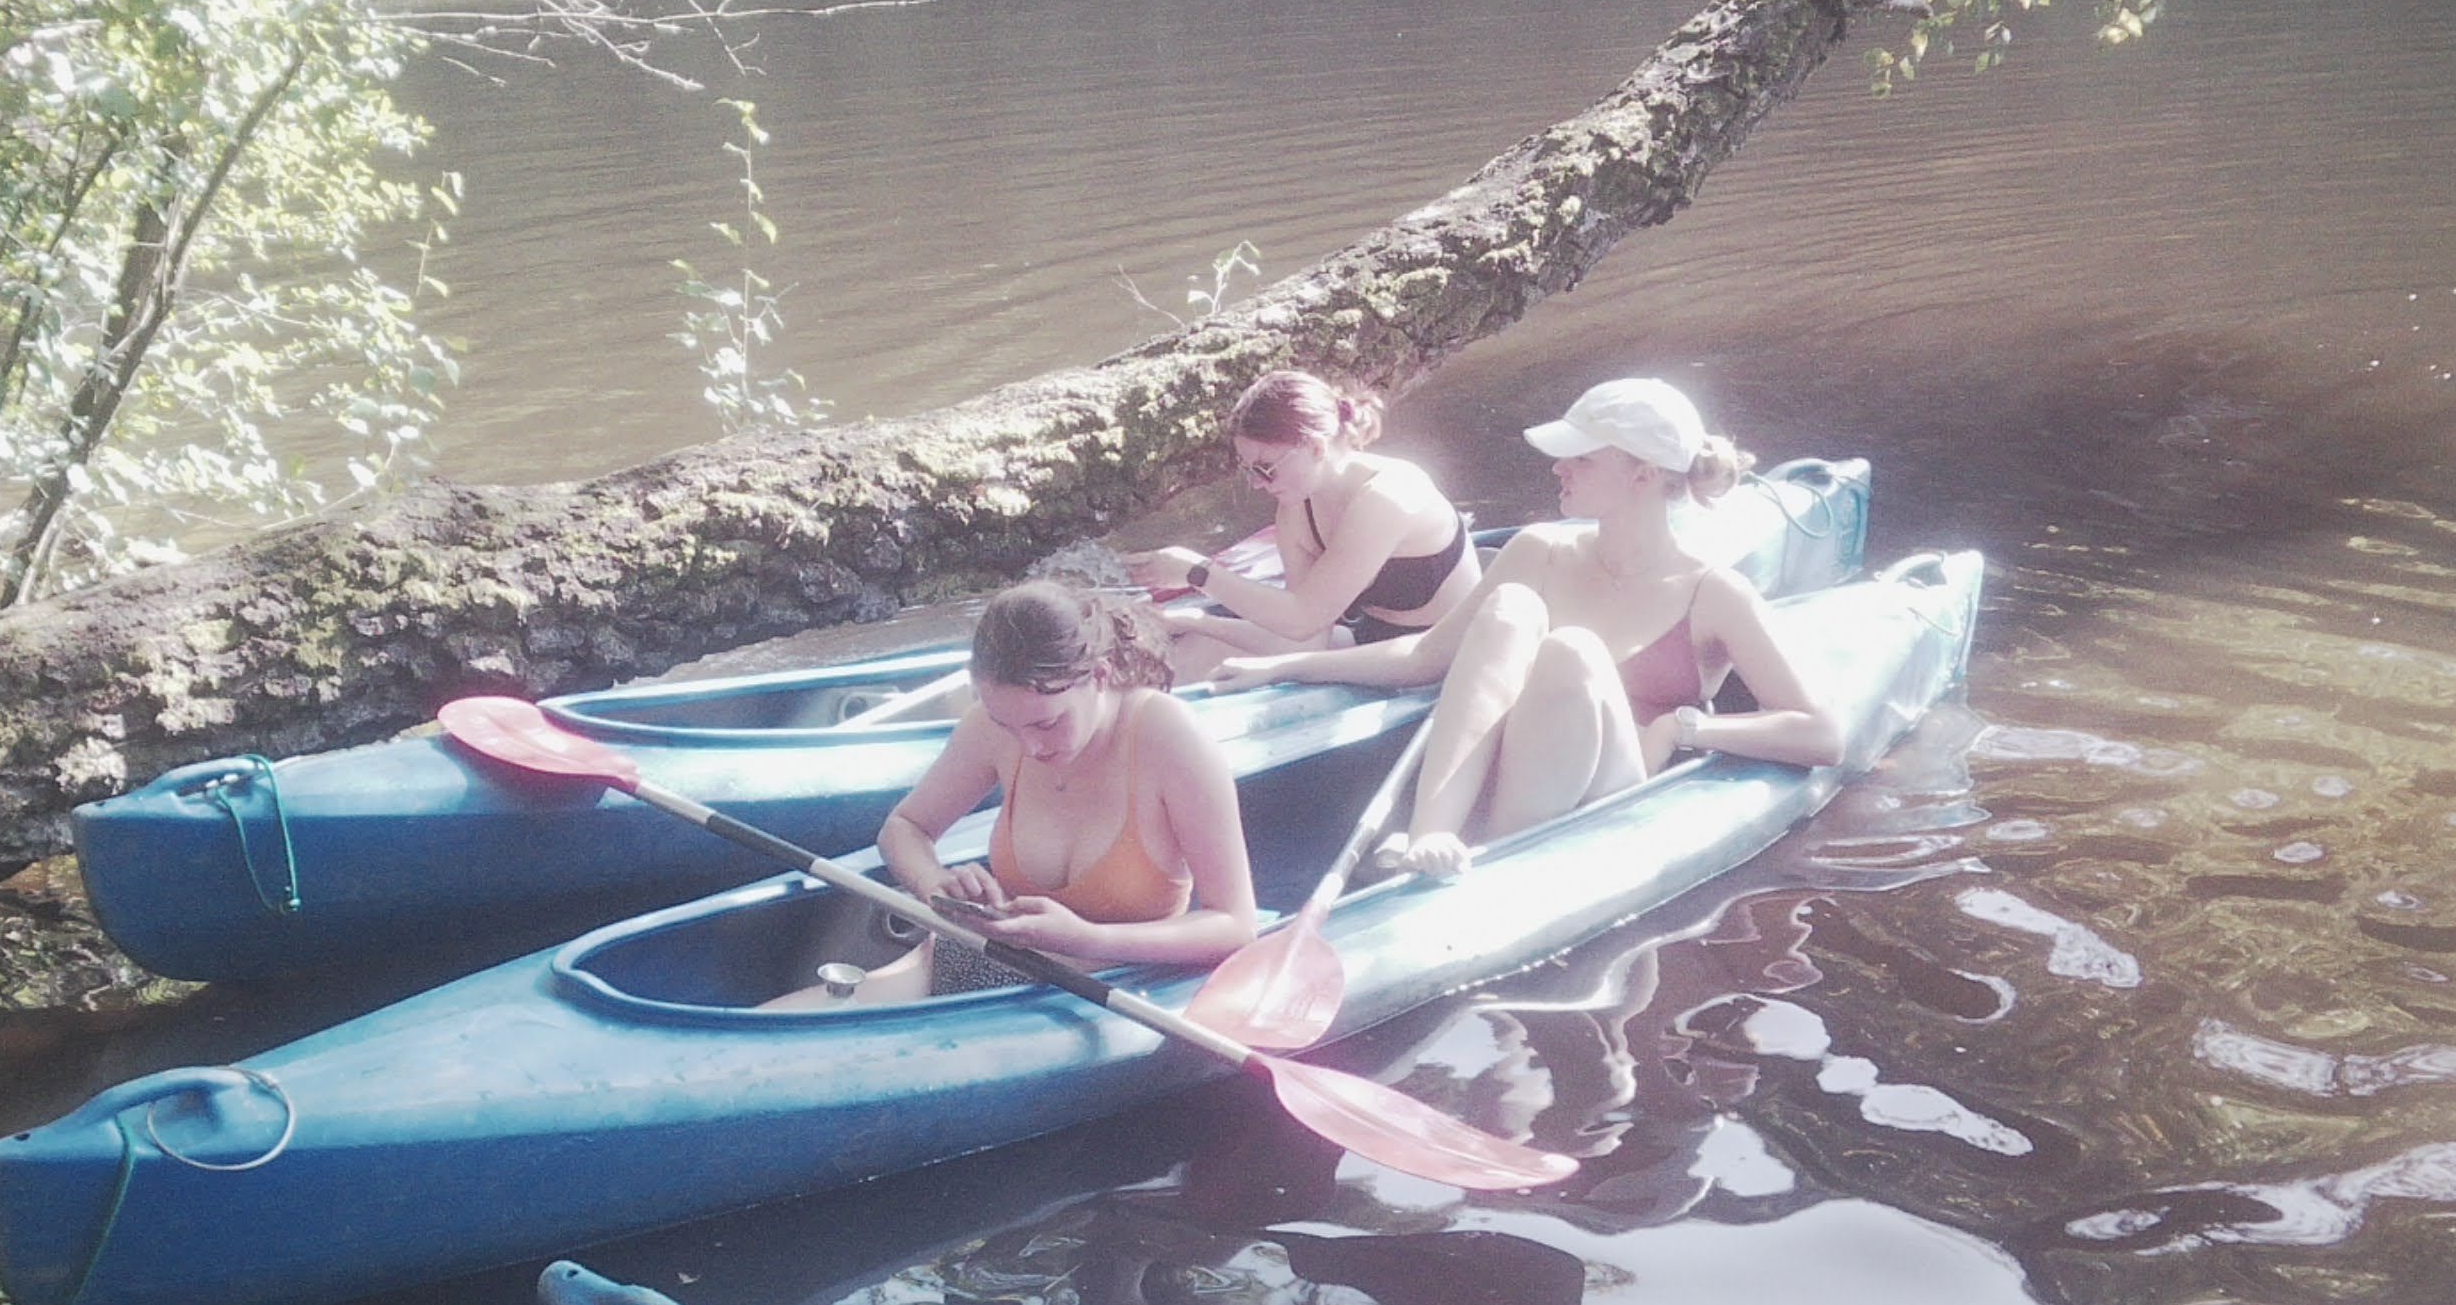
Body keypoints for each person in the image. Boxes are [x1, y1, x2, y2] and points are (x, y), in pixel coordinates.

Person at [1213, 376, 1836, 875]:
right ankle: (1433, 834)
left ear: (1643, 475)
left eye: (1580, 459)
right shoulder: (1538, 550)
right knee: (1511, 606)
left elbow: (1820, 734)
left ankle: (1491, 856)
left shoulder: (1714, 592)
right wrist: (1284, 664)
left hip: (1613, 794)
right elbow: (1423, 658)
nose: (1558, 469)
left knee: (1571, 651)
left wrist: (1686, 726)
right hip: (1509, 785)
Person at [773, 583, 1261, 1005]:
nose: (1029, 746)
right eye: (1008, 724)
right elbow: (905, 829)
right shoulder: (994, 726)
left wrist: (1087, 939)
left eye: (1046, 724)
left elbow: (1235, 924)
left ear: (1099, 676)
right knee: (781, 1029)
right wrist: (937, 887)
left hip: (1104, 993)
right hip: (969, 961)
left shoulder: (1168, 737)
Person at [1130, 370, 1480, 678]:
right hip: (1371, 648)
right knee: (1194, 649)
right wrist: (1191, 620)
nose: (1257, 484)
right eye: (1249, 471)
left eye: (1265, 468)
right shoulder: (1298, 508)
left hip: (1445, 657)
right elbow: (1304, 639)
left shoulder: (1390, 496)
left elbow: (1303, 618)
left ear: (1315, 447)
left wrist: (1199, 573)